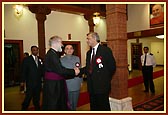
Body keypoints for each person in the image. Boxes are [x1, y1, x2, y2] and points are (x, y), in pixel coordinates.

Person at [42, 35, 80, 111]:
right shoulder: (52, 55)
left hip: (53, 84)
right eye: (61, 43)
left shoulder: (52, 53)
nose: (62, 45)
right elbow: (60, 70)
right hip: (53, 86)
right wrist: (73, 71)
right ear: (56, 43)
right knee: (54, 105)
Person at [80, 32, 116, 111]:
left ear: (94, 39)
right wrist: (78, 71)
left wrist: (105, 79)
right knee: (94, 106)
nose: (87, 41)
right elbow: (88, 67)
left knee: (103, 106)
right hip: (91, 85)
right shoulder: (89, 53)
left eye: (88, 39)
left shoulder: (105, 50)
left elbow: (112, 67)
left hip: (102, 85)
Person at [20, 46, 43, 110]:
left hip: (38, 83)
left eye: (36, 50)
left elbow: (41, 70)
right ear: (31, 51)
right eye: (34, 50)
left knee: (37, 98)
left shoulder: (40, 59)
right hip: (30, 83)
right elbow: (23, 71)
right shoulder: (27, 60)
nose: (35, 51)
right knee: (28, 98)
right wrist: (22, 81)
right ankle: (23, 109)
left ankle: (37, 109)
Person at [60, 45, 83, 110]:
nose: (69, 50)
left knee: (75, 103)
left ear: (73, 50)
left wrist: (81, 81)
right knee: (68, 103)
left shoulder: (77, 58)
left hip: (76, 82)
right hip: (67, 83)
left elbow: (79, 70)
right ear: (64, 50)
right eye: (67, 48)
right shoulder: (61, 60)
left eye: (71, 48)